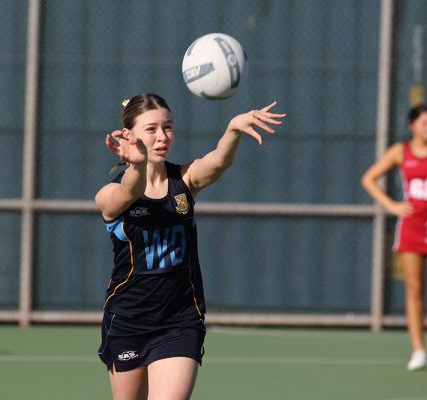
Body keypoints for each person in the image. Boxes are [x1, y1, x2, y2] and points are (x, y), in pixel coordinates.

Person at [95, 93, 285, 399]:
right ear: (129, 136)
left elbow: (218, 162)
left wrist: (233, 130)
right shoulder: (110, 193)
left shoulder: (184, 180)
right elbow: (130, 190)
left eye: (167, 127)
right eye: (151, 129)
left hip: (179, 320)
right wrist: (139, 164)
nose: (162, 137)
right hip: (128, 320)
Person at [362, 104, 427, 371]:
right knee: (414, 289)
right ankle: (418, 350)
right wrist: (393, 206)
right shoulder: (400, 151)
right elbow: (369, 179)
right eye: (425, 123)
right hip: (411, 228)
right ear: (412, 125)